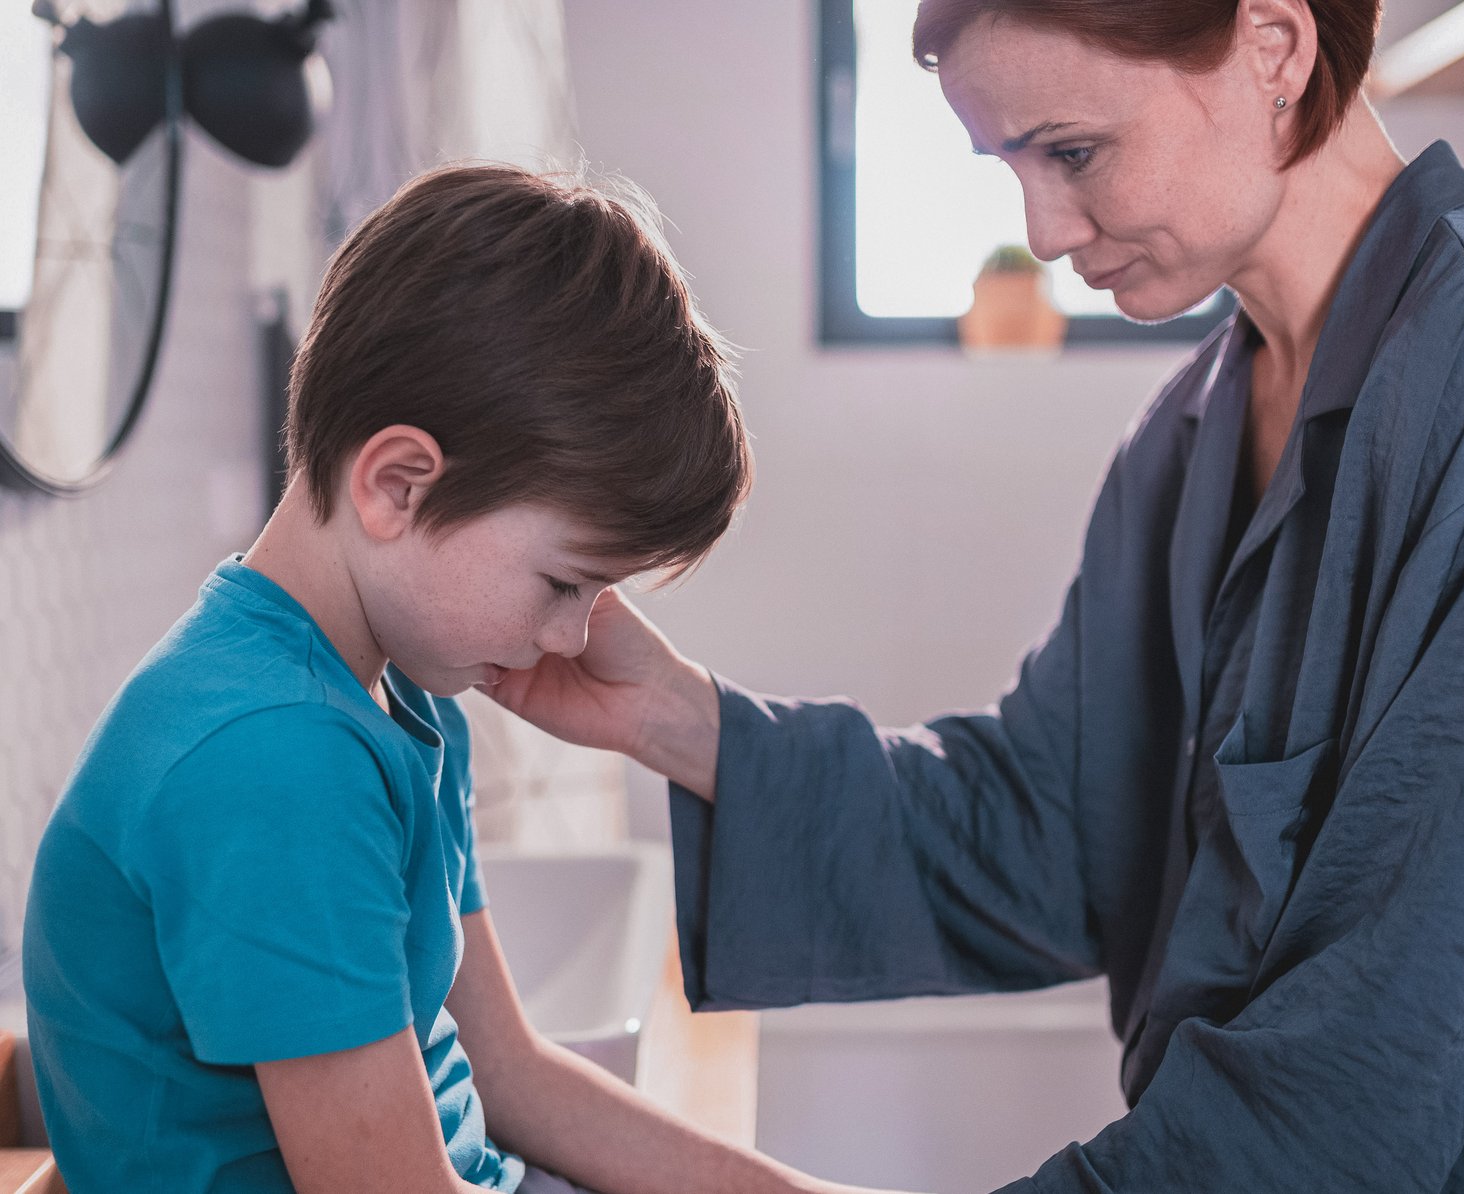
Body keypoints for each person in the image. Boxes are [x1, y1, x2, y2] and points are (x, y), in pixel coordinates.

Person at [486, 0, 1464, 1190]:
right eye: (1011, 170)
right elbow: (1050, 830)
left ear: (1273, 45)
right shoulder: (1190, 433)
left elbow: (1364, 1078)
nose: (1043, 231)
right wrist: (679, 719)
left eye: (1074, 153)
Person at [22, 164, 920, 1194]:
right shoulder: (275, 756)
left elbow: (509, 1075)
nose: (578, 635)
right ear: (396, 485)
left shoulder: (390, 699)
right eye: (564, 582)